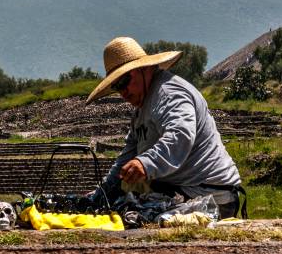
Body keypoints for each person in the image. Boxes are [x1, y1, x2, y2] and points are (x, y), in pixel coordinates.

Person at [86, 37, 245, 218]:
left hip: (209, 195)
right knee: (119, 201)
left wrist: (146, 163)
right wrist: (102, 192)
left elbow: (181, 135)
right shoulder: (140, 112)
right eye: (116, 86)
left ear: (144, 70)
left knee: (132, 216)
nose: (122, 92)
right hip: (180, 190)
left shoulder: (169, 94)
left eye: (124, 82)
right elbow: (126, 159)